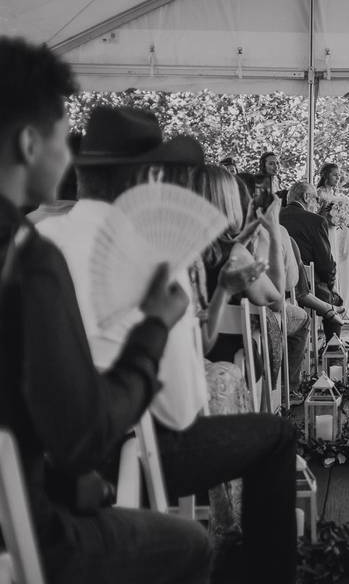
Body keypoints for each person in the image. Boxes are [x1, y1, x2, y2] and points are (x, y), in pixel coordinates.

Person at [40, 106, 298, 584]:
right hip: (132, 446)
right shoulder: (156, 253)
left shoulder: (32, 238)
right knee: (276, 437)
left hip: (43, 460)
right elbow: (180, 411)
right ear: (152, 175)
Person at [0, 36, 211, 584]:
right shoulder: (27, 258)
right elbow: (81, 436)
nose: (66, 156)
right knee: (192, 544)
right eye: (58, 138)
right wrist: (154, 329)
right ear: (28, 143)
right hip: (30, 532)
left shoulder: (37, 239)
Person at [280, 181, 343, 342]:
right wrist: (331, 284)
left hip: (278, 285)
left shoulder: (273, 218)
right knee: (335, 299)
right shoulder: (315, 221)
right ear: (307, 197)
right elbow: (326, 264)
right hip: (308, 286)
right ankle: (333, 352)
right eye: (316, 198)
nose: (317, 204)